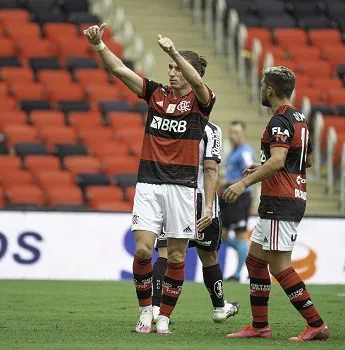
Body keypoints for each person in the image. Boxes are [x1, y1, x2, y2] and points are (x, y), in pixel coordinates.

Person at [84, 24, 216, 334]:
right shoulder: (155, 94)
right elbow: (118, 70)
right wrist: (99, 45)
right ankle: (146, 311)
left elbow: (198, 83)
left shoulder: (201, 102)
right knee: (143, 251)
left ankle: (165, 318)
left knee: (176, 255)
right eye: (169, 67)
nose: (171, 73)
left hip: (182, 188)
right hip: (149, 185)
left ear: (190, 72)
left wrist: (173, 50)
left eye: (176, 68)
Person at [224, 66, 330, 342]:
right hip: (288, 195)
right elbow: (304, 160)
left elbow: (280, 160)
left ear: (269, 89)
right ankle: (260, 325)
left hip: (281, 200)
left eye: (262, 84)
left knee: (280, 266)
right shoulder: (299, 117)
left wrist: (243, 183)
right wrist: (265, 165)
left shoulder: (280, 120)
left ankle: (316, 323)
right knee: (255, 261)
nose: (261, 88)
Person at [151, 121, 239, 323]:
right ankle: (219, 308)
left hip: (170, 196)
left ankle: (156, 310)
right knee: (209, 256)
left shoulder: (167, 122)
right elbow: (211, 168)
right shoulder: (211, 129)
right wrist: (208, 205)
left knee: (167, 252)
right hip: (200, 197)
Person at [220, 121, 254, 282]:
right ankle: (247, 256)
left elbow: (251, 174)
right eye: (231, 132)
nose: (233, 136)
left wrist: (230, 182)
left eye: (237, 133)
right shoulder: (233, 152)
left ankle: (239, 273)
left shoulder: (245, 152)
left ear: (242, 134)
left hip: (241, 197)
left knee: (240, 234)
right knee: (222, 235)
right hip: (229, 197)